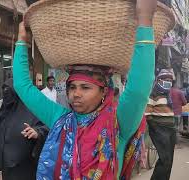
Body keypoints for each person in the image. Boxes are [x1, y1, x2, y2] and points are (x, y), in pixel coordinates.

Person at [13, 0, 157, 178]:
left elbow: (138, 88)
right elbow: (22, 86)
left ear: (104, 91)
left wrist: (144, 20)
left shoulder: (119, 122)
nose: (76, 94)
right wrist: (22, 42)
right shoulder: (60, 119)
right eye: (72, 87)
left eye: (85, 87)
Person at [0, 79, 49, 180]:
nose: (6, 93)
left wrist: (37, 132)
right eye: (4, 90)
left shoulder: (34, 109)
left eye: (8, 90)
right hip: (5, 169)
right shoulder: (3, 112)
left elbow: (47, 128)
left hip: (26, 169)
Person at [145, 69, 176, 180]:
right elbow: (147, 113)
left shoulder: (167, 95)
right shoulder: (153, 94)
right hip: (160, 129)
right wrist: (155, 128)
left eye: (170, 80)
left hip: (171, 129)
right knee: (165, 159)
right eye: (166, 80)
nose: (169, 82)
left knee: (169, 159)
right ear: (159, 80)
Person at [170, 80, 187, 147]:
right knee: (176, 128)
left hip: (167, 113)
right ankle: (176, 144)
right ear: (175, 84)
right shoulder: (179, 92)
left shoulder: (166, 92)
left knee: (169, 128)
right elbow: (185, 102)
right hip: (177, 112)